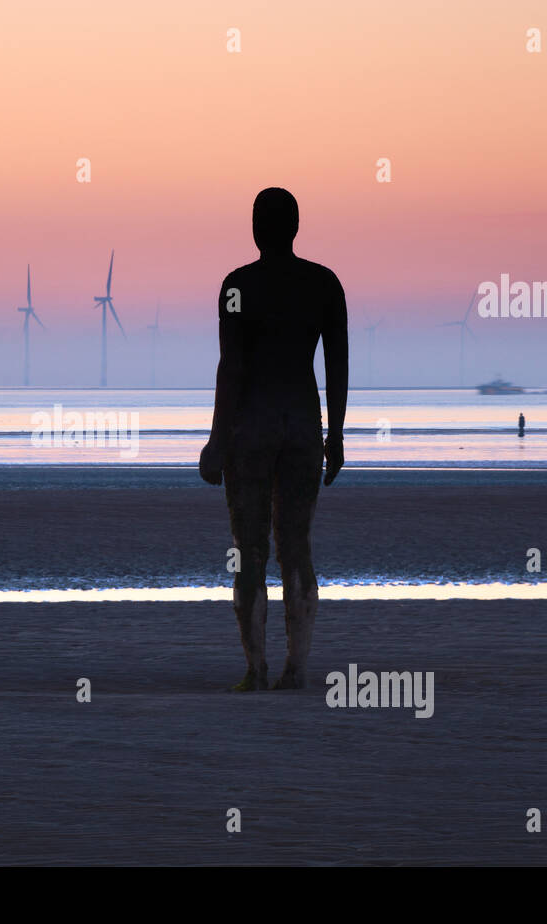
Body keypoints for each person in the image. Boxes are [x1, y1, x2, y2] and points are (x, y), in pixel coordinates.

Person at [198, 187, 348, 691]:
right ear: (297, 226)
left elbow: (231, 368)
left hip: (251, 429)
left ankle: (256, 666)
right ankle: (296, 668)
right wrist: (337, 433)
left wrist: (217, 440)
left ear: (257, 229)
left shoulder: (237, 287)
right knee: (296, 545)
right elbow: (337, 364)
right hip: (304, 425)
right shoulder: (324, 284)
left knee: (249, 548)